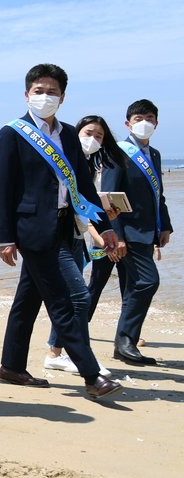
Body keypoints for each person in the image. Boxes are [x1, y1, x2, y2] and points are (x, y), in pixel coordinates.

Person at [0, 63, 122, 400]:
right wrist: (5, 238)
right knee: (66, 300)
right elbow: (2, 188)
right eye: (39, 91)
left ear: (62, 97)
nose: (45, 97)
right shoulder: (12, 133)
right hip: (31, 230)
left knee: (28, 300)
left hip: (65, 226)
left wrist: (105, 228)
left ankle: (11, 366)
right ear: (27, 94)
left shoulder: (66, 134)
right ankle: (92, 376)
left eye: (52, 92)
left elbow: (84, 187)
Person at [42, 115, 124, 374]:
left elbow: (86, 215)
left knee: (61, 298)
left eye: (99, 136)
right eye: (88, 133)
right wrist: (104, 240)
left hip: (75, 239)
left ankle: (54, 354)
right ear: (75, 133)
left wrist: (104, 227)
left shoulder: (88, 166)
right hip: (55, 237)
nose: (93, 139)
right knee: (80, 297)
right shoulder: (64, 163)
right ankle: (84, 358)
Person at [98, 99, 172, 365]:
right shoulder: (116, 152)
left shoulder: (155, 154)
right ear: (127, 123)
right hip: (126, 232)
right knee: (148, 281)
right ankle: (126, 340)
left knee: (133, 287)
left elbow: (158, 196)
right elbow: (108, 197)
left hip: (148, 231)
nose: (145, 123)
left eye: (150, 118)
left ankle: (125, 345)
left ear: (156, 123)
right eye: (139, 118)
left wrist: (164, 226)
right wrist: (114, 235)